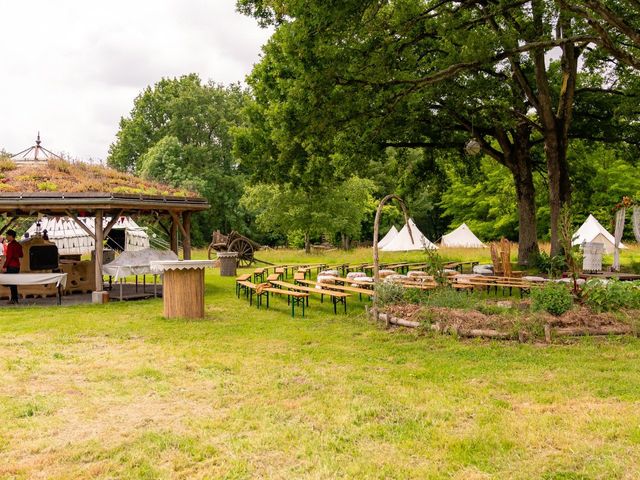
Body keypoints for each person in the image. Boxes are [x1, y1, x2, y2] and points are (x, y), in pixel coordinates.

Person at [3, 229, 23, 304]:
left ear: (11, 236)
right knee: (13, 283)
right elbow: (21, 255)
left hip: (11, 265)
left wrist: (5, 266)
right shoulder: (18, 245)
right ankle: (14, 299)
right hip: (17, 266)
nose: (6, 237)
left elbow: (9, 257)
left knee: (12, 283)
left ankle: (14, 299)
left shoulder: (11, 245)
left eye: (7, 236)